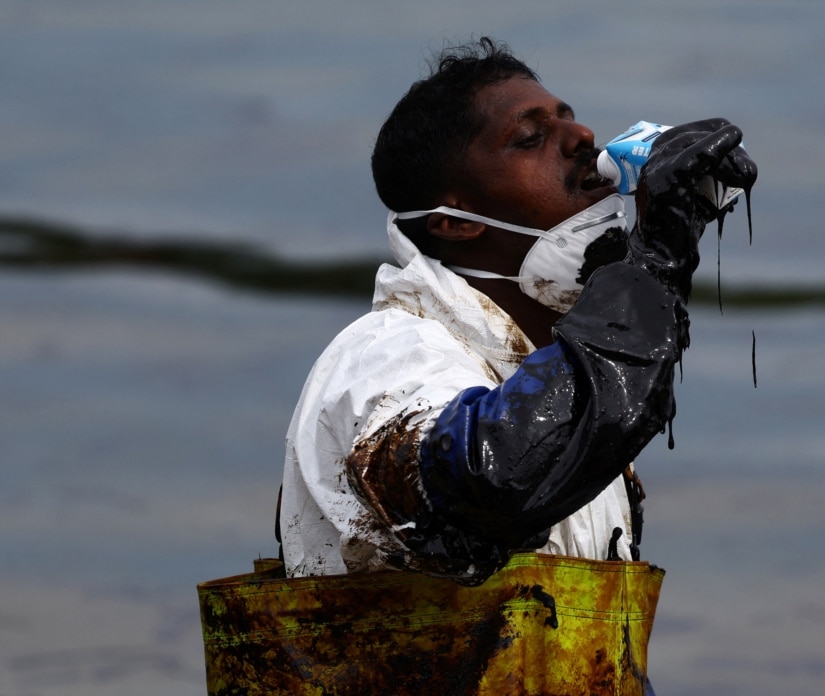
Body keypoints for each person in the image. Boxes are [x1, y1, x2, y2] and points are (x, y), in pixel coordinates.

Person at [198, 37, 757, 696]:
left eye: (569, 118)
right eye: (529, 138)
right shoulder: (383, 359)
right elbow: (490, 487)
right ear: (455, 220)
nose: (581, 137)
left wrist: (653, 266)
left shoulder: (558, 375)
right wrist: (653, 263)